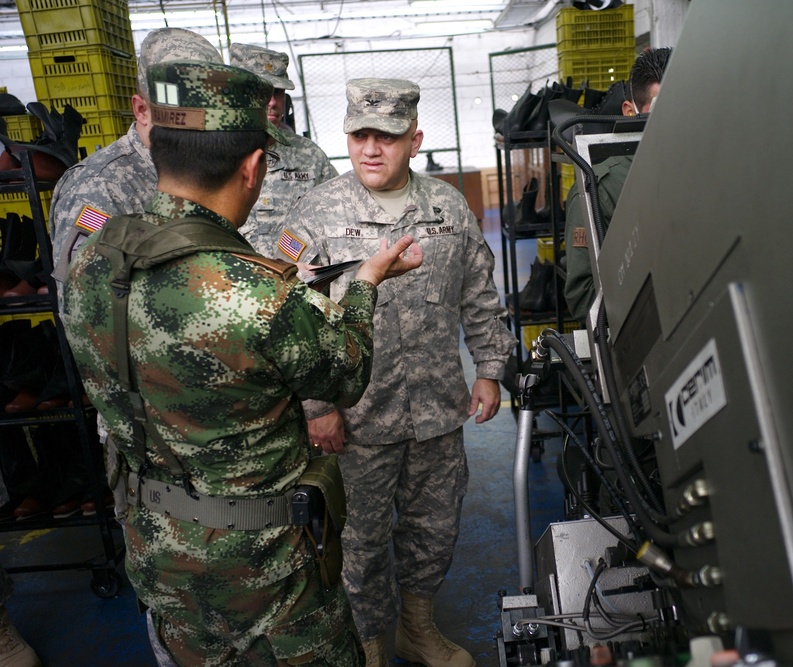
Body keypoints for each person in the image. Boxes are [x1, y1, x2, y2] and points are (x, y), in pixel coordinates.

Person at [60, 60, 422, 666]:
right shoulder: (257, 293)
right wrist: (364, 283)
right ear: (254, 167)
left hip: (159, 556)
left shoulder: (94, 262)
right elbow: (346, 373)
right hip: (266, 577)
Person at [276, 78, 516, 667]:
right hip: (356, 420)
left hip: (436, 409)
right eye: (359, 134)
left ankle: (417, 628)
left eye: (387, 136)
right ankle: (370, 642)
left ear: (415, 139)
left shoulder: (447, 207)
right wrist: (317, 406)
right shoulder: (316, 215)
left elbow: (479, 296)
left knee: (432, 531)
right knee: (357, 543)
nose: (371, 149)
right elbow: (287, 318)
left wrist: (489, 367)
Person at [48, 28, 223, 289]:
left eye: (208, 106)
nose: (198, 120)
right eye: (180, 108)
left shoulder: (209, 166)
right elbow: (83, 304)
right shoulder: (97, 186)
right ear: (142, 110)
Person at [563, 48, 671, 323]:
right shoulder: (597, 190)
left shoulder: (707, 167)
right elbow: (583, 296)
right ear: (629, 112)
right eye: (661, 110)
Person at [228, 43, 338, 251]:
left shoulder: (309, 156)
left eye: (278, 92)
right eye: (261, 91)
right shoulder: (213, 152)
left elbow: (338, 218)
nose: (272, 102)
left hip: (297, 278)